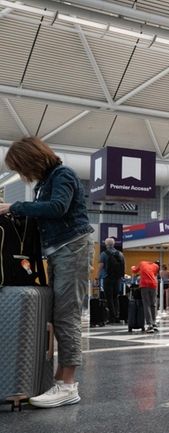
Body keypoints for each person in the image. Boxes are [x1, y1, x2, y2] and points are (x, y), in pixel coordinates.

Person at [0, 136, 94, 408]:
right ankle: (61, 377)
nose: (22, 174)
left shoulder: (62, 174)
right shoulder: (46, 181)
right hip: (61, 250)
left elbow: (58, 208)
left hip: (72, 248)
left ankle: (68, 385)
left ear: (31, 160)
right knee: (59, 312)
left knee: (66, 315)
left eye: (20, 167)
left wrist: (13, 207)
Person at [98, 237, 125, 323]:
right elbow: (124, 266)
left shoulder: (103, 254)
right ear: (113, 244)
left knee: (108, 298)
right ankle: (117, 315)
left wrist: (98, 276)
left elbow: (101, 266)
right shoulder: (120, 254)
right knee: (115, 297)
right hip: (117, 279)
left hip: (107, 278)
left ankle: (111, 317)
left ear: (106, 244)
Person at [137, 260, 160, 333]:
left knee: (146, 304)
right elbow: (155, 274)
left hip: (144, 285)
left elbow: (134, 270)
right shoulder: (156, 266)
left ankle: (149, 325)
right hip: (153, 284)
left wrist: (132, 267)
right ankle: (154, 323)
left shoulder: (141, 263)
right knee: (153, 304)